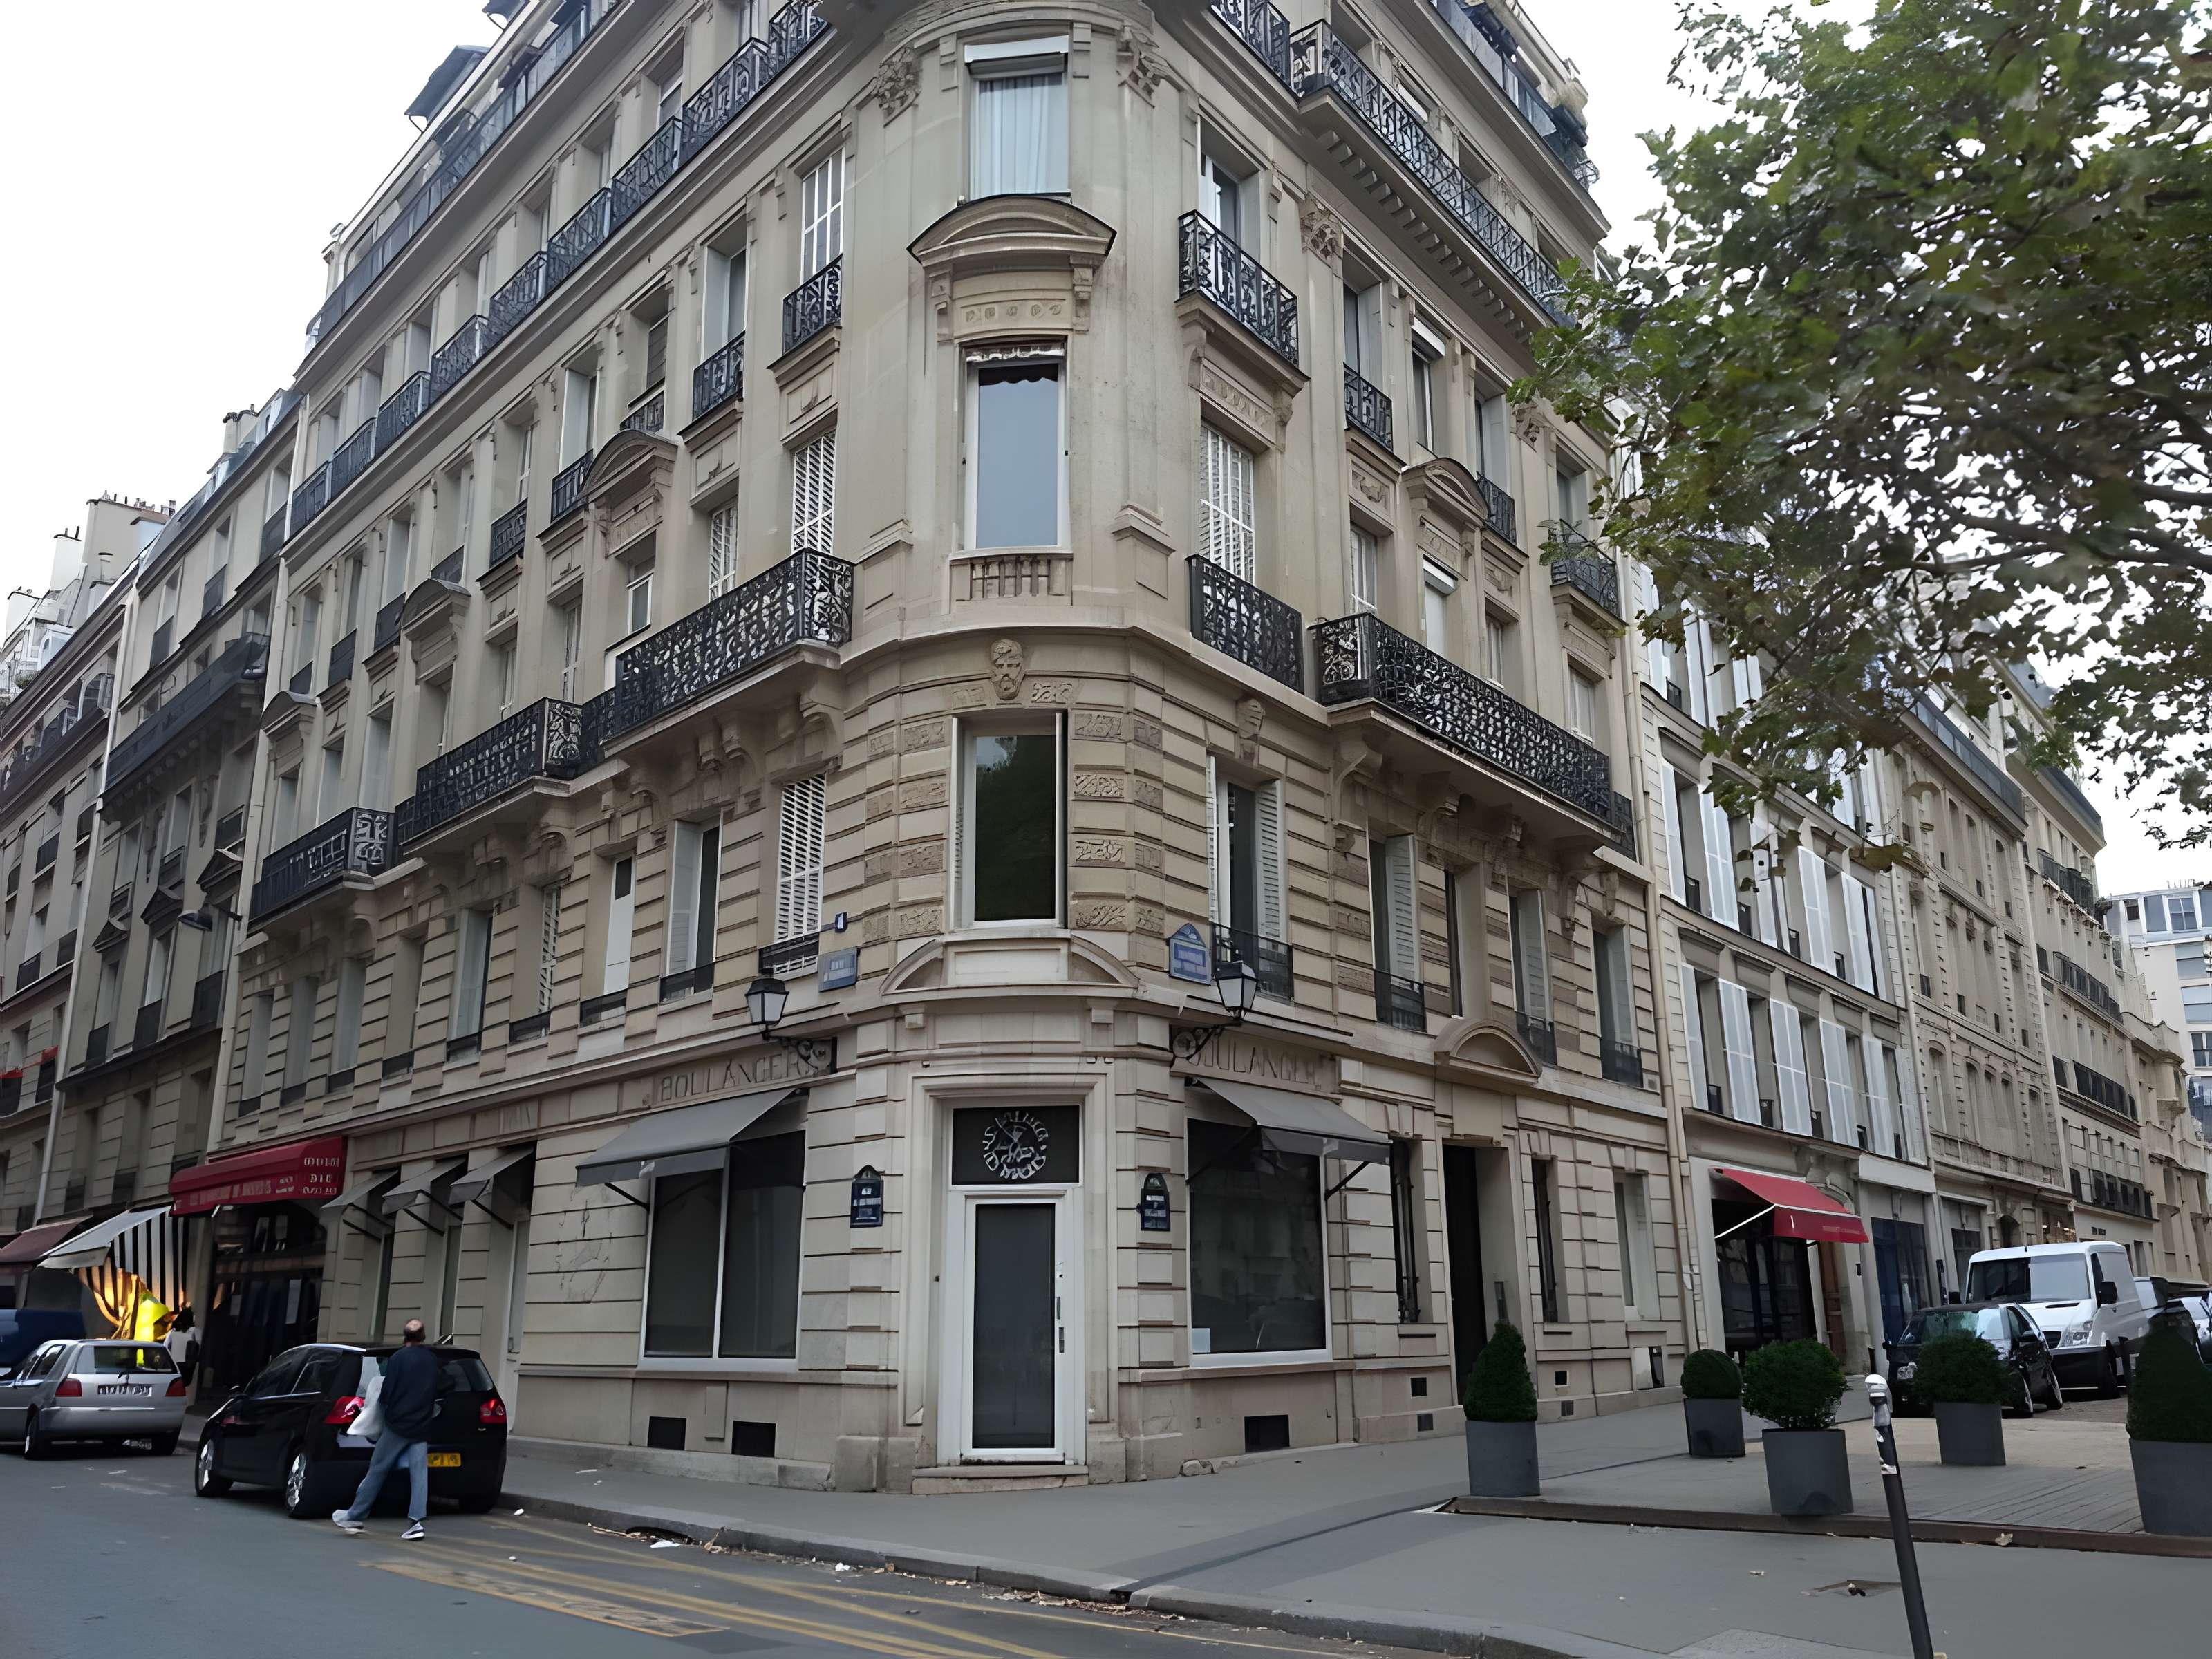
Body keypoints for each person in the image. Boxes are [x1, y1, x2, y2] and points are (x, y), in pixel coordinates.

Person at [332, 1319, 440, 1541]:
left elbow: (387, 1393)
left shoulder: (398, 1358)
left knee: (378, 1468)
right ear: (423, 1336)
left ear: (405, 1336)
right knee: (419, 1474)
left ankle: (355, 1516)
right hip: (421, 1425)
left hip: (397, 1425)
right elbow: (436, 1390)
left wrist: (385, 1417)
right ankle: (416, 1522)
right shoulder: (431, 1359)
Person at [162, 1311, 198, 1391]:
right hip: (186, 1370)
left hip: (173, 1368)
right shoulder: (194, 1332)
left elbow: (165, 1347)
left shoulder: (173, 1332)